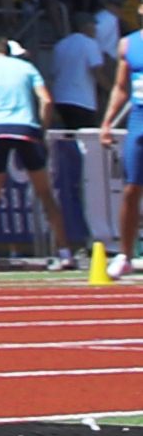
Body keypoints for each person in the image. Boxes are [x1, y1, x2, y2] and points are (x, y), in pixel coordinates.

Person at [0, 34, 73, 271]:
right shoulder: (26, 67)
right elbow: (46, 100)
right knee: (45, 194)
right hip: (27, 129)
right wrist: (41, 129)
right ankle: (65, 253)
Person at [99, 17, 143, 280]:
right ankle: (125, 255)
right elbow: (119, 87)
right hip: (138, 121)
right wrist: (107, 122)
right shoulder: (128, 44)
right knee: (131, 189)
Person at [48, 9, 106, 131]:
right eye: (93, 25)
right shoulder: (90, 44)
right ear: (84, 26)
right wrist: (111, 89)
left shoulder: (61, 44)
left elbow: (53, 75)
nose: (95, 29)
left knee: (66, 141)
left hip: (60, 100)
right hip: (82, 101)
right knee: (86, 142)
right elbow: (97, 72)